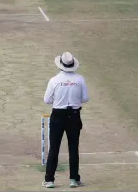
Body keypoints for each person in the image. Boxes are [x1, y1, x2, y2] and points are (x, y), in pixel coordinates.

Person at [42, 52, 89, 188]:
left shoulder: (54, 80)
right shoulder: (79, 79)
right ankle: (74, 179)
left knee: (54, 148)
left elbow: (47, 100)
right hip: (74, 115)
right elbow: (85, 98)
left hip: (58, 115)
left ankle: (49, 180)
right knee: (73, 148)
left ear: (61, 65)